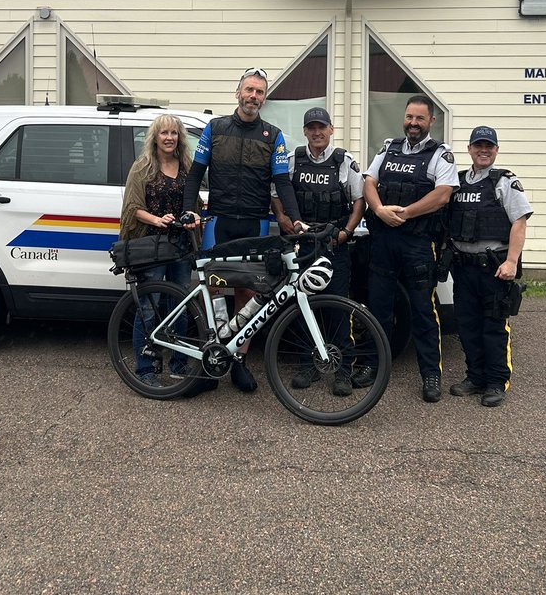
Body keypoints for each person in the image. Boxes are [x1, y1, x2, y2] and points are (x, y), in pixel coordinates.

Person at [182, 68, 303, 393]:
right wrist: (189, 208)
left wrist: (296, 217)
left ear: (264, 98)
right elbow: (195, 174)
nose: (253, 96)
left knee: (248, 294)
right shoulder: (215, 128)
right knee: (213, 291)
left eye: (259, 92)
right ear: (238, 93)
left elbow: (282, 181)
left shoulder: (272, 134)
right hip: (219, 221)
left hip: (256, 223)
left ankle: (238, 362)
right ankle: (212, 363)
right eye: (249, 90)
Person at [359, 95, 457, 403]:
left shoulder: (440, 154)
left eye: (420, 118)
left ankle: (430, 374)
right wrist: (378, 210)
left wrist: (405, 213)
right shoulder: (389, 148)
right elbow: (369, 182)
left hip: (416, 242)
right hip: (384, 240)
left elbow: (442, 195)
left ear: (431, 121)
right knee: (379, 308)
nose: (413, 123)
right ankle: (373, 365)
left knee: (423, 311)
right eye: (409, 117)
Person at [271, 106, 365, 397]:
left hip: (333, 245)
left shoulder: (343, 161)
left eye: (321, 127)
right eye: (311, 127)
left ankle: (343, 370)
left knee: (338, 307)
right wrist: (283, 220)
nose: (317, 132)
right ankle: (308, 364)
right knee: (303, 306)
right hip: (303, 246)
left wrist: (346, 232)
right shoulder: (292, 160)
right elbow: (276, 194)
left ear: (331, 130)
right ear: (305, 132)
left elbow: (359, 200)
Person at [445, 125, 533, 408]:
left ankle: (496, 382)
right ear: (470, 149)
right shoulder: (457, 182)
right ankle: (475, 377)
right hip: (463, 267)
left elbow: (519, 222)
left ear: (496, 150)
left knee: (493, 327)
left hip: (494, 268)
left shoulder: (505, 181)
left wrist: (512, 261)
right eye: (478, 145)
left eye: (489, 146)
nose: (484, 150)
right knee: (467, 325)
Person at [119, 114, 200, 387]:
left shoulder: (186, 165)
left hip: (180, 247)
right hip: (151, 247)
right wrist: (158, 219)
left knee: (179, 306)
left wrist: (194, 215)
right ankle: (146, 370)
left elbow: (195, 202)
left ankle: (179, 363)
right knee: (148, 307)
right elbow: (132, 209)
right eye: (164, 133)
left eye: (174, 133)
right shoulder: (142, 167)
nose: (169, 137)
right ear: (155, 137)